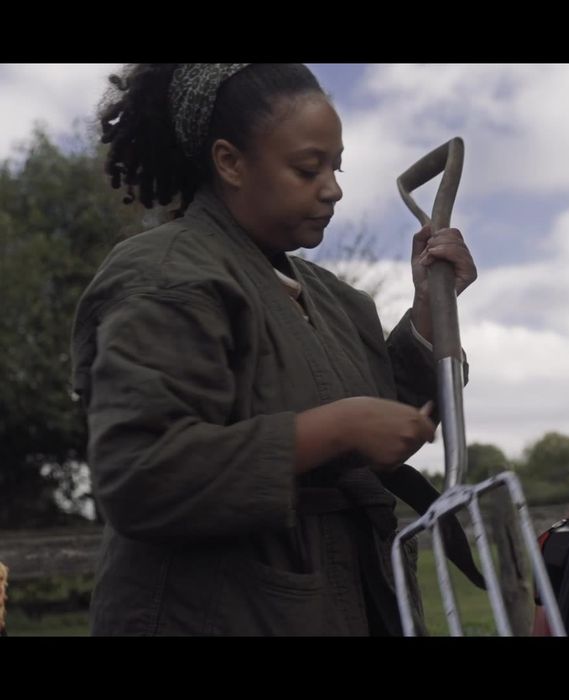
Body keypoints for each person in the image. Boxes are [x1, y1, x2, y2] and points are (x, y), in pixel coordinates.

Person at [72, 63, 478, 635]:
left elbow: (388, 419)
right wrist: (337, 428)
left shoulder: (338, 300)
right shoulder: (165, 274)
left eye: (335, 168)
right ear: (230, 162)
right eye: (307, 168)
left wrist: (432, 310)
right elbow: (139, 475)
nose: (333, 188)